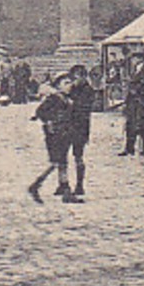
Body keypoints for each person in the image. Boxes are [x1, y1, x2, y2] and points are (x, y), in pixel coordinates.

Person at [28, 75, 80, 204]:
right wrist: (49, 123)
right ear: (58, 85)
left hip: (65, 133)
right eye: (66, 83)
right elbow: (40, 112)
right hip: (55, 134)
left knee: (62, 163)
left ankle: (65, 190)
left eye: (70, 83)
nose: (70, 85)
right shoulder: (54, 99)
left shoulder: (66, 99)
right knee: (56, 162)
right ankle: (36, 185)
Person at [65, 65, 96, 198]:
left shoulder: (88, 90)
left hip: (80, 127)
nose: (75, 80)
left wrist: (70, 103)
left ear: (83, 77)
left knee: (78, 156)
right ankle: (64, 185)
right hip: (67, 126)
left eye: (77, 77)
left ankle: (79, 185)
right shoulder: (72, 89)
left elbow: (84, 108)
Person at [120, 55, 144, 156]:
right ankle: (129, 149)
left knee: (143, 126)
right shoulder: (136, 68)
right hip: (133, 102)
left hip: (142, 102)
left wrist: (136, 89)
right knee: (130, 125)